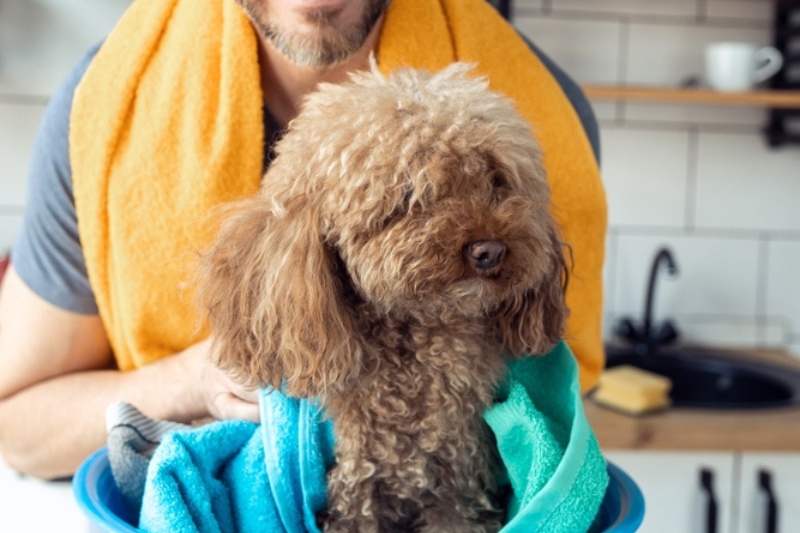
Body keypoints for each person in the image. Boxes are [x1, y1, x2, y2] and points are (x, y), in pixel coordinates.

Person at [0, 0, 607, 480]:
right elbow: (17, 426)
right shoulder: (106, 109)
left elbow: (560, 419)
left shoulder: (544, 111)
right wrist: (193, 380)